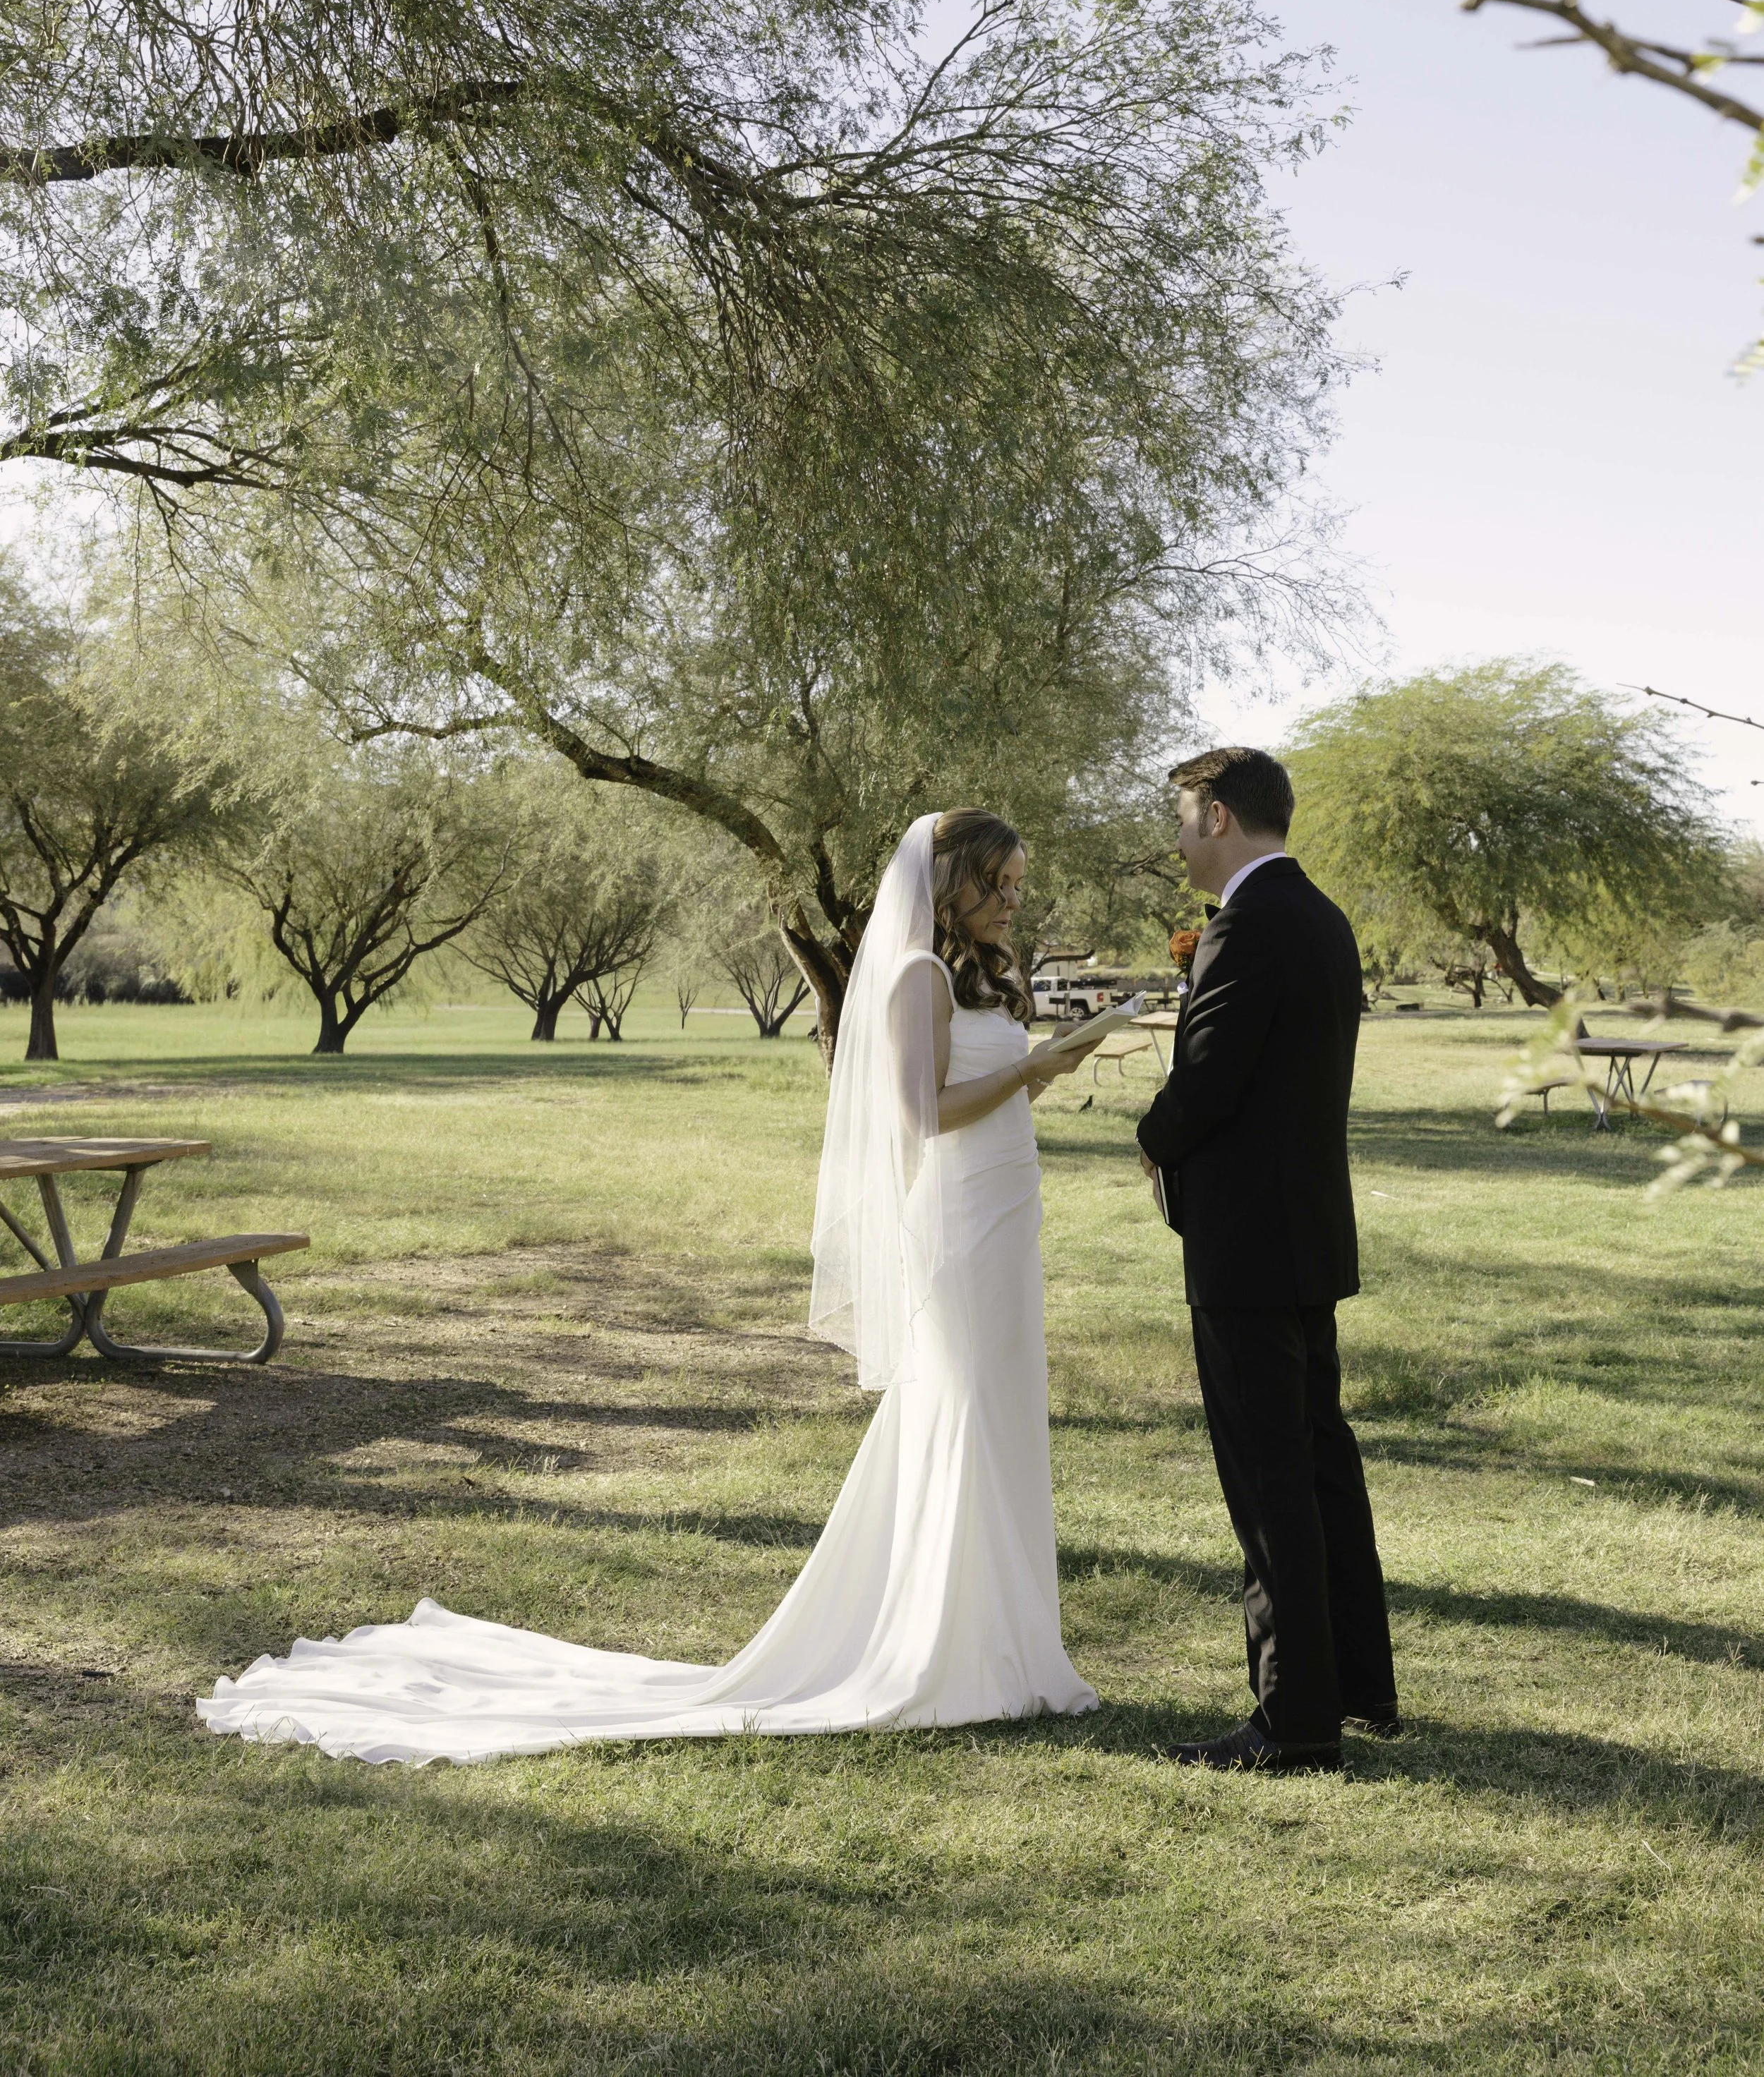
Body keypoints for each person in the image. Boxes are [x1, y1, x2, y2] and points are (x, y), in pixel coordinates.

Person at [198, 809, 1099, 1762]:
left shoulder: (981, 978)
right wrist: (1038, 1065)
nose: (1011, 901)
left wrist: (1054, 1064)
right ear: (950, 882)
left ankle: (1007, 1645)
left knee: (1000, 1416)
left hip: (1008, 1217)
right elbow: (923, 1116)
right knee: (960, 1413)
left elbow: (998, 1096)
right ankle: (948, 1652)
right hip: (959, 1227)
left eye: (1017, 885)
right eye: (996, 883)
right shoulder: (916, 977)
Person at [1136, 746, 1396, 1774]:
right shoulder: (1321, 915)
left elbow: (1208, 1079)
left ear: (1219, 816)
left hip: (1247, 1242)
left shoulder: (1249, 925)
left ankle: (1294, 1719)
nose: (1182, 839)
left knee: (1269, 1475)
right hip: (1306, 1233)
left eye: (1187, 818)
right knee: (1321, 1460)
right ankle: (1358, 1684)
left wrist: (1152, 1142)